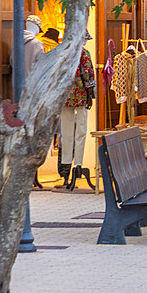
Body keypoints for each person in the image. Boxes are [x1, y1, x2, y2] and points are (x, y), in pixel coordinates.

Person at [60, 30, 96, 189]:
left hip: (64, 97)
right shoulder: (84, 54)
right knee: (80, 131)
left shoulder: (63, 54)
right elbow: (87, 74)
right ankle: (78, 164)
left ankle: (66, 167)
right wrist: (90, 96)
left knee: (66, 133)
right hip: (80, 96)